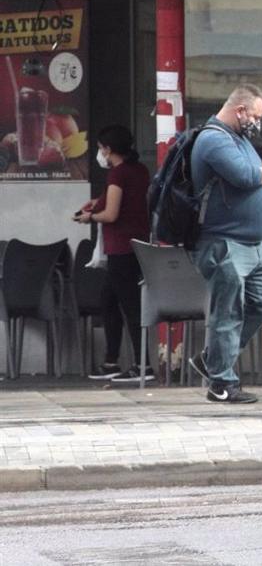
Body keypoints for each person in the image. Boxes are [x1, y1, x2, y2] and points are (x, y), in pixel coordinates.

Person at [189, 84, 262, 404]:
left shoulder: (238, 139)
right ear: (239, 111)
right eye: (255, 116)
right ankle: (222, 384)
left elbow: (251, 173)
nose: (257, 123)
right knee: (228, 311)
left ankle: (213, 359)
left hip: (254, 244)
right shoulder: (213, 139)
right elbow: (245, 177)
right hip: (225, 242)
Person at [75, 125, 151, 383]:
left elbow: (111, 214)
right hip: (138, 245)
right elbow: (128, 201)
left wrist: (89, 217)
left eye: (100, 148)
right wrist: (97, 202)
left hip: (121, 248)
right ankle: (111, 361)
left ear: (108, 149)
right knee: (108, 301)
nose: (100, 153)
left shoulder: (118, 173)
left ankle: (143, 364)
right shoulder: (139, 170)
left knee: (130, 306)